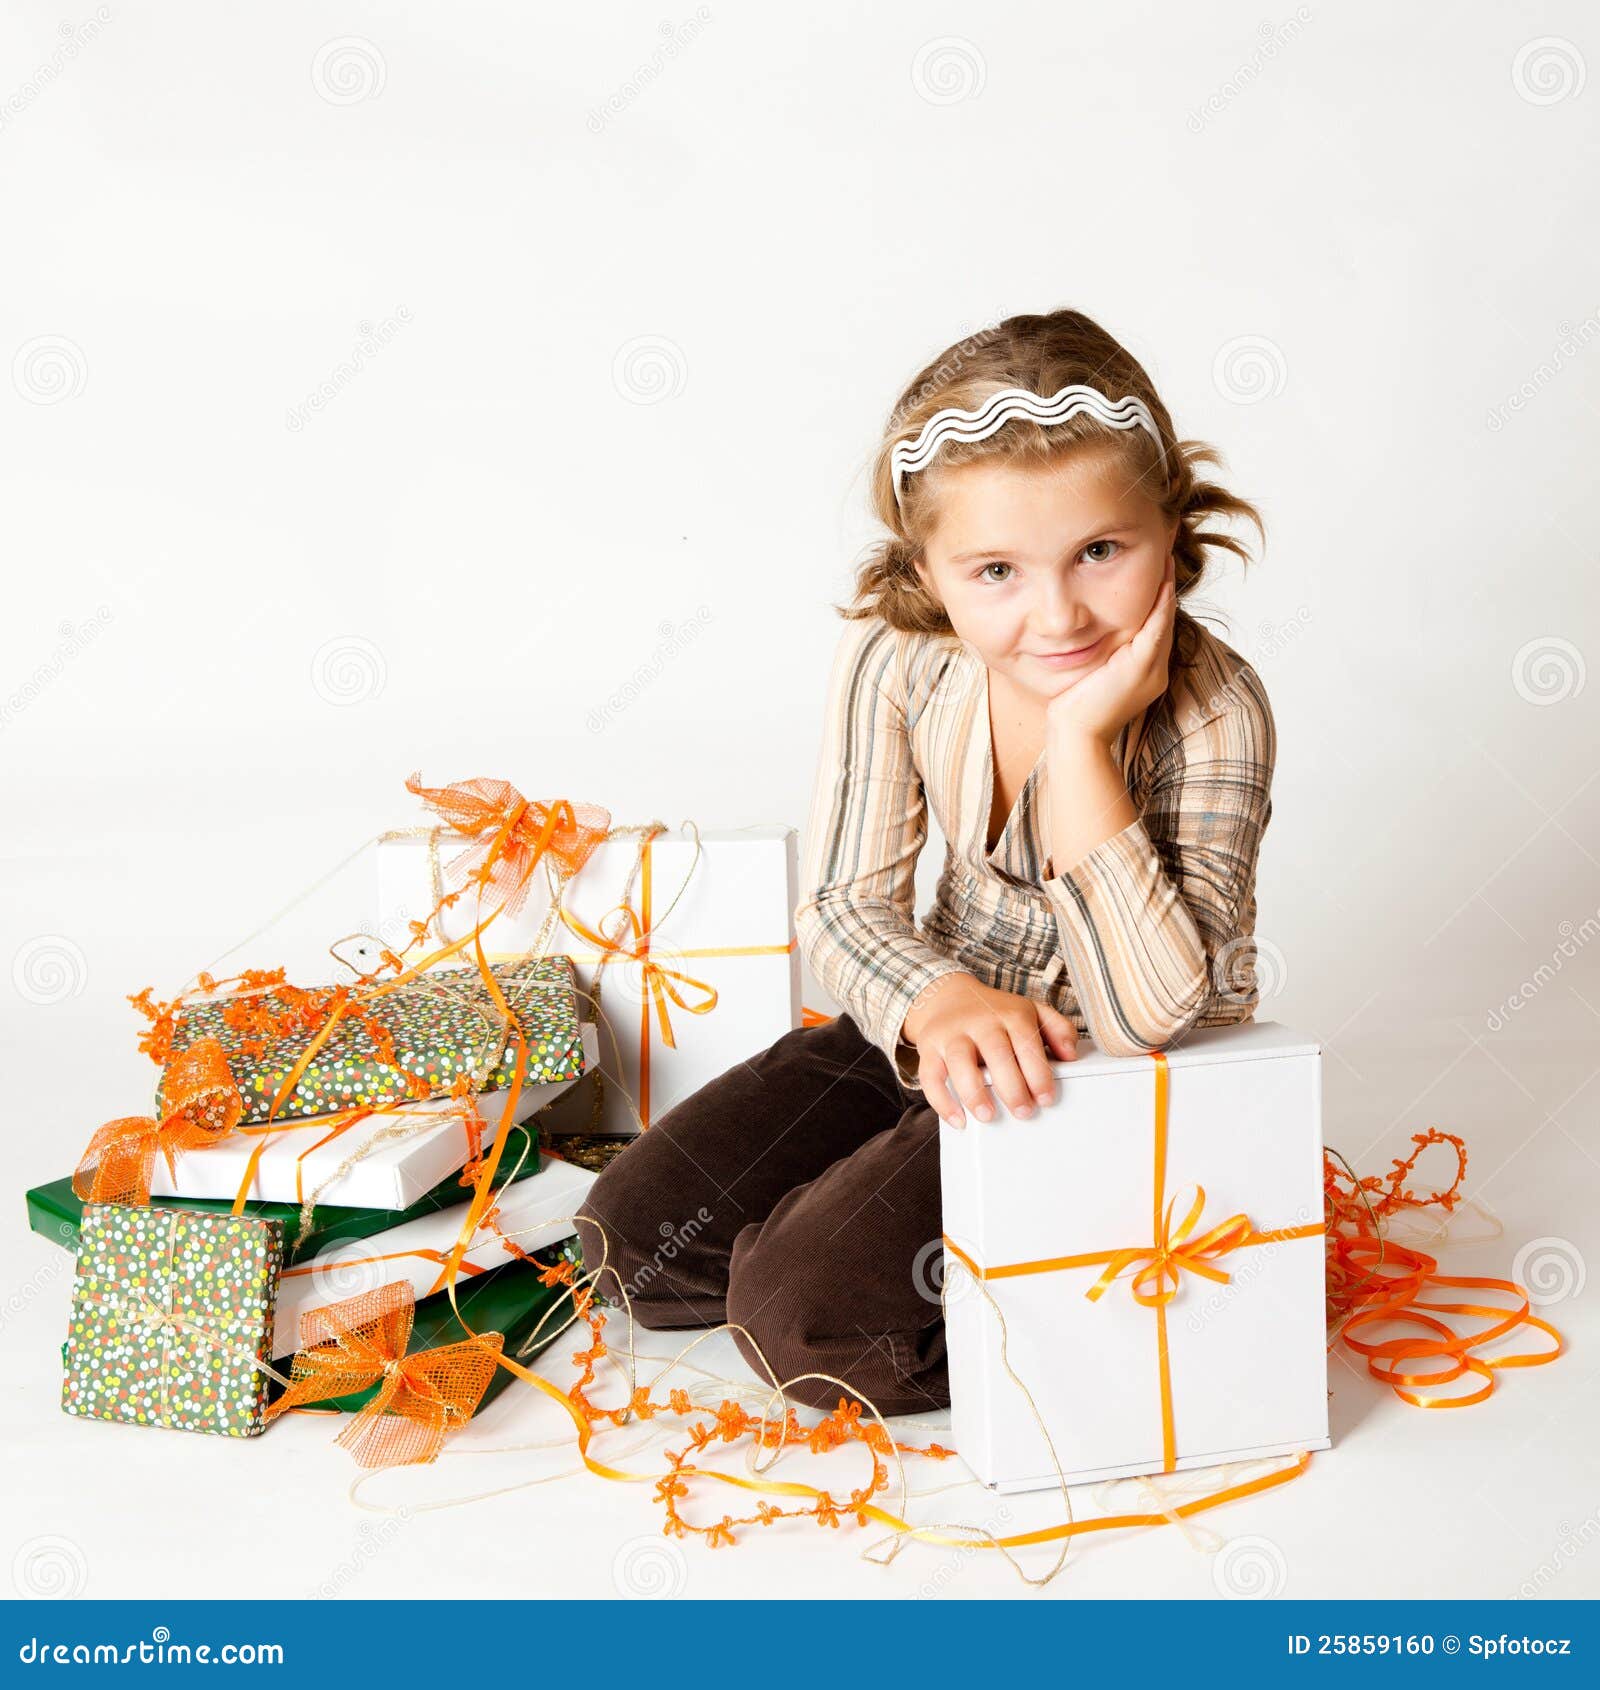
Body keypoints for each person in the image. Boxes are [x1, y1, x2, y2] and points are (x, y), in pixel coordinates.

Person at [574, 307, 1276, 1415]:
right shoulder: (900, 654)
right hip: (934, 1019)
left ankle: (1087, 1309)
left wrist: (1085, 742)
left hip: (1098, 1065)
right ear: (928, 569)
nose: (1058, 614)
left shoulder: (1214, 707)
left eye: (1101, 550)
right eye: (995, 569)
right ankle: (877, 1201)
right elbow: (848, 905)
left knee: (801, 1326)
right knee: (631, 1243)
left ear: (1170, 527)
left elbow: (1153, 1011)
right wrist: (936, 999)